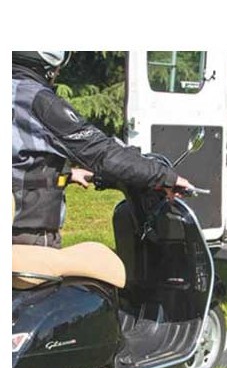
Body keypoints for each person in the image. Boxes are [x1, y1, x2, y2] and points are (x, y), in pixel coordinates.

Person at [12, 51, 193, 248]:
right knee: (100, 262)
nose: (58, 73)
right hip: (27, 234)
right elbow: (101, 152)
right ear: (48, 67)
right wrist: (166, 177)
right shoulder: (39, 100)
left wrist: (68, 173)